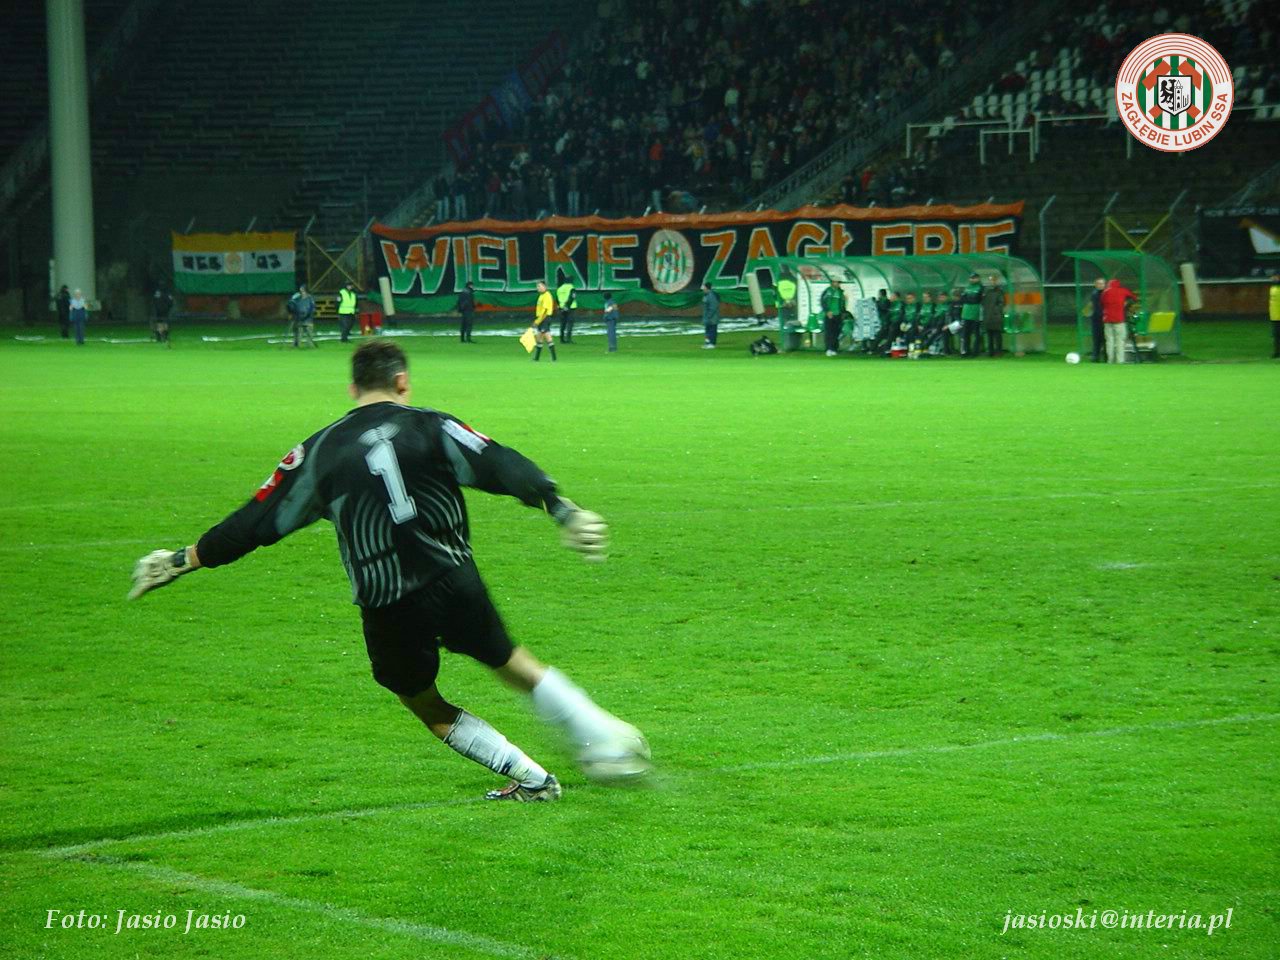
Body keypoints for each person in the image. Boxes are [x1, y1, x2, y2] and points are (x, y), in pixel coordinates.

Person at [128, 339, 650, 802]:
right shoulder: (433, 425)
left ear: (353, 388)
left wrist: (180, 560)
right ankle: (605, 741)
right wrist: (559, 507)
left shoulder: (317, 452)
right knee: (513, 665)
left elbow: (254, 523)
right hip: (452, 579)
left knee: (423, 702)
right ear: (402, 382)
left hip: (387, 601)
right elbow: (499, 462)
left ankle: (531, 777)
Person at [1099, 278, 1136, 364]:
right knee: (1120, 340)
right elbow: (1134, 297)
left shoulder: (1105, 292)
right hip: (1119, 319)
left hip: (1107, 319)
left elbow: (1101, 303)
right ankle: (1120, 360)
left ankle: (1110, 360)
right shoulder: (1123, 290)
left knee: (1109, 341)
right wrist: (1125, 303)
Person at [532, 280, 557, 361]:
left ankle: (553, 358)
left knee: (546, 336)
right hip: (542, 319)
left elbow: (545, 311)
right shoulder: (541, 296)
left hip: (544, 319)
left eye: (539, 286)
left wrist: (537, 321)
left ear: (545, 286)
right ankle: (537, 358)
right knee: (540, 337)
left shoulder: (547, 296)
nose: (538, 288)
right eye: (537, 286)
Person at [982, 275, 1005, 357]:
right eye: (991, 280)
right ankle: (990, 352)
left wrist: (996, 311)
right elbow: (983, 303)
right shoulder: (986, 291)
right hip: (987, 316)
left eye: (993, 280)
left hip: (996, 316)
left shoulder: (999, 291)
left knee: (997, 335)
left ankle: (999, 351)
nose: (992, 282)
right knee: (989, 335)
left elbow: (1001, 303)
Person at [960, 273, 983, 357]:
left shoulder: (981, 288)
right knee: (965, 334)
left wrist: (970, 299)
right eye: (971, 278)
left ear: (978, 278)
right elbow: (963, 299)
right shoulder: (967, 288)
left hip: (976, 314)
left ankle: (975, 352)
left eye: (974, 278)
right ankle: (966, 351)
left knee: (977, 334)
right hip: (966, 314)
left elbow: (977, 299)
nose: (972, 279)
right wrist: (971, 299)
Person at [288, 284, 317, 349]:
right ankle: (297, 344)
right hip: (299, 317)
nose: (302, 292)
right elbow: (292, 305)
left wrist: (307, 315)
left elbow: (312, 308)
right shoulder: (297, 298)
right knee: (298, 332)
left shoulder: (310, 298)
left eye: (303, 290)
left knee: (309, 332)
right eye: (301, 291)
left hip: (308, 318)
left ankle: (310, 345)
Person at [821, 280, 844, 357]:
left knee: (836, 332)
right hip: (829, 315)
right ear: (832, 283)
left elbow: (842, 303)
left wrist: (842, 312)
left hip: (838, 315)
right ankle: (828, 349)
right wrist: (827, 311)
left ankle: (834, 349)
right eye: (836, 282)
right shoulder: (827, 291)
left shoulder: (840, 292)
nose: (838, 284)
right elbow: (823, 302)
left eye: (838, 282)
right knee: (829, 332)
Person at [1087, 277, 1106, 362]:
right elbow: (1095, 307)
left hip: (1105, 319)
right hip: (1097, 320)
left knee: (1105, 339)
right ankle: (1095, 356)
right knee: (1097, 339)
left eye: (1102, 283)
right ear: (1095, 285)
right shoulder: (1094, 294)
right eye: (1099, 283)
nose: (1100, 285)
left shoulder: (1106, 293)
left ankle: (1105, 357)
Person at [556, 279, 578, 343]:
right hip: (570, 308)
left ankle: (561, 339)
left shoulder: (560, 288)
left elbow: (557, 298)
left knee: (562, 323)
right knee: (570, 323)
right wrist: (567, 306)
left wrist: (560, 306)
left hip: (561, 307)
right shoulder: (571, 288)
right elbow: (572, 297)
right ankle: (568, 339)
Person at [701, 283, 720, 349]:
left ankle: (712, 343)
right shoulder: (706, 295)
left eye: (703, 287)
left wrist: (708, 316)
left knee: (712, 331)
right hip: (707, 317)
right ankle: (707, 343)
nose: (702, 289)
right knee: (707, 331)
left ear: (707, 288)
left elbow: (713, 307)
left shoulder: (711, 296)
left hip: (712, 318)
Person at [1270, 272, 1280, 359]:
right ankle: (1276, 352)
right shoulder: (1272, 289)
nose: (1272, 279)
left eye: (1275, 277)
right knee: (1275, 335)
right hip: (1274, 316)